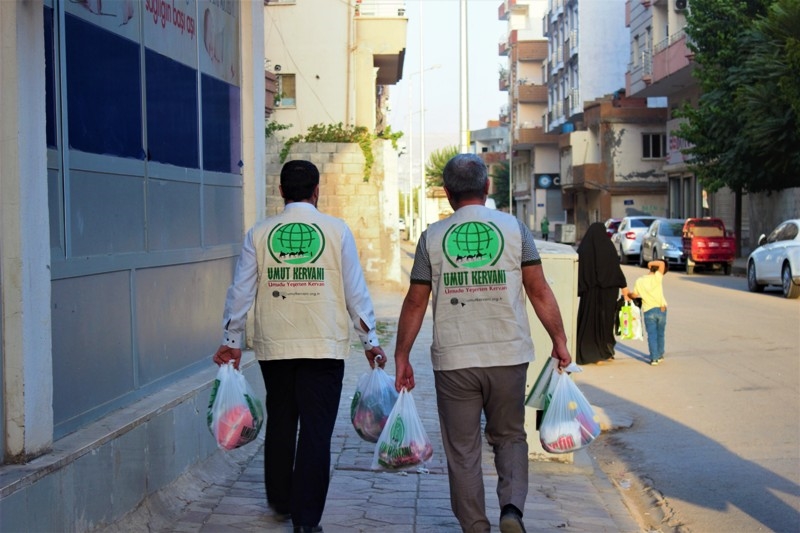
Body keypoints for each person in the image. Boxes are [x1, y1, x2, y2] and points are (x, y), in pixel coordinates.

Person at [392, 154, 572, 533]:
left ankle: (475, 525)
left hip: (455, 360)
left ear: (447, 194)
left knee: (462, 451)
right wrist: (559, 341)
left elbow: (415, 301)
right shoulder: (515, 230)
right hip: (508, 354)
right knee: (509, 437)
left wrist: (401, 356)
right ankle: (511, 511)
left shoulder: (432, 238)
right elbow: (538, 290)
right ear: (487, 188)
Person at [212, 160, 386, 533]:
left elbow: (240, 291)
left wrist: (231, 340)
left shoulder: (259, 233)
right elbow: (355, 291)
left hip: (275, 346)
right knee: (316, 431)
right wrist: (370, 341)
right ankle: (306, 521)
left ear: (281, 191)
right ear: (316, 191)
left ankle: (279, 500)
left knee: (282, 420)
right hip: (324, 346)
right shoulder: (337, 230)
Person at [576, 222, 631, 365]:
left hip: (591, 292)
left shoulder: (584, 249)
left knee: (591, 322)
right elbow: (615, 268)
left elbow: (580, 271)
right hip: (608, 292)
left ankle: (595, 353)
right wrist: (623, 286)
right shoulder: (608, 247)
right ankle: (603, 351)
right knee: (606, 322)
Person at [629, 259, 668, 365]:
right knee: (660, 334)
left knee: (651, 335)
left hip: (648, 310)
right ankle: (660, 354)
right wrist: (651, 264)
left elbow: (635, 295)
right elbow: (662, 264)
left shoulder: (639, 281)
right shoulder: (657, 278)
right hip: (661, 309)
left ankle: (654, 358)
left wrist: (629, 295)